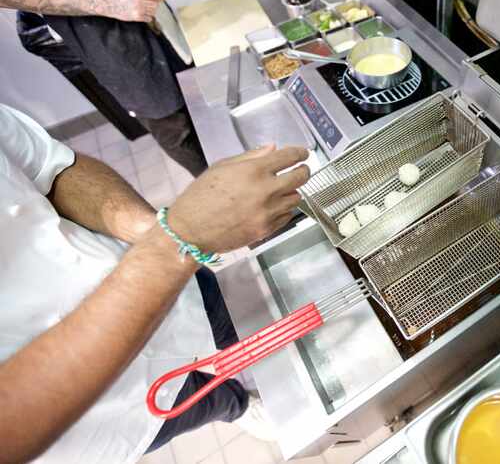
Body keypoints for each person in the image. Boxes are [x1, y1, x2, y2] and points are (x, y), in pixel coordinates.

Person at [0, 102, 311, 463]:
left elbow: (50, 169)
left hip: (171, 285)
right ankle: (238, 406)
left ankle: (252, 374)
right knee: (204, 402)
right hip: (105, 417)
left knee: (241, 332)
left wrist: (153, 232)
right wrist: (173, 242)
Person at [0, 0, 207, 176]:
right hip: (96, 26)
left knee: (197, 87)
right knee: (169, 120)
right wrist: (109, 4)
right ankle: (220, 189)